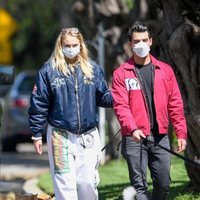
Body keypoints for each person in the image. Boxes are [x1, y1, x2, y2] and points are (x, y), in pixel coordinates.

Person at [28, 27, 112, 200]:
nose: (71, 48)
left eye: (75, 44)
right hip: (60, 135)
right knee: (64, 184)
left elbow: (103, 97)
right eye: (67, 45)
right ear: (60, 45)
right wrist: (37, 133)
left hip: (88, 134)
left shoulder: (92, 69)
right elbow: (39, 102)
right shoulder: (48, 71)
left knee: (87, 183)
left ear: (81, 45)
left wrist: (122, 96)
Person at [111, 21, 187, 200]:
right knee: (139, 187)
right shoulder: (121, 74)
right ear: (130, 44)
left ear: (151, 41)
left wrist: (181, 132)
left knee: (163, 183)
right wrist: (132, 128)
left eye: (144, 40)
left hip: (160, 136)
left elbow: (175, 103)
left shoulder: (165, 70)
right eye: (136, 41)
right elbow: (121, 106)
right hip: (134, 138)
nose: (141, 45)